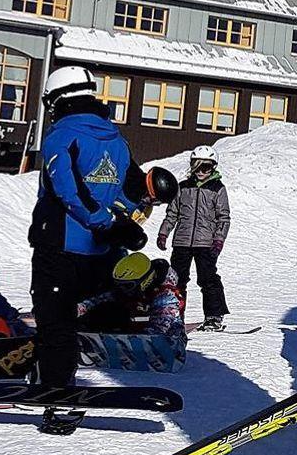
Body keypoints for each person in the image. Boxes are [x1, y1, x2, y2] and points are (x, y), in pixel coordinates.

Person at [29, 66, 145, 432]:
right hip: (99, 251)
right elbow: (132, 189)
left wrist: (104, 220)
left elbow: (67, 190)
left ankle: (58, 397)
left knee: (55, 321)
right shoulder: (117, 140)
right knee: (82, 314)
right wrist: (122, 219)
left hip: (59, 244)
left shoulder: (62, 134)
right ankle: (54, 370)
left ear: (58, 98)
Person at [160, 146, 231, 330]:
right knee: (176, 280)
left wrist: (218, 240)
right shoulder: (183, 187)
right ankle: (174, 315)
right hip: (182, 241)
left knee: (208, 279)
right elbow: (172, 213)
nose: (200, 171)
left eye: (205, 167)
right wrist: (164, 233)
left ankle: (214, 317)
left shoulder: (217, 189)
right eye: (196, 166)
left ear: (213, 167)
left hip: (206, 243)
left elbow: (223, 218)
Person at [79, 252, 187, 348]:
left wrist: (142, 340)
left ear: (145, 281)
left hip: (167, 342)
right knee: (108, 308)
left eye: (127, 285)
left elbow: (161, 325)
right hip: (134, 333)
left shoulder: (166, 295)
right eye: (119, 285)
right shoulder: (131, 290)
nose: (122, 289)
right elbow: (103, 298)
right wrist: (81, 308)